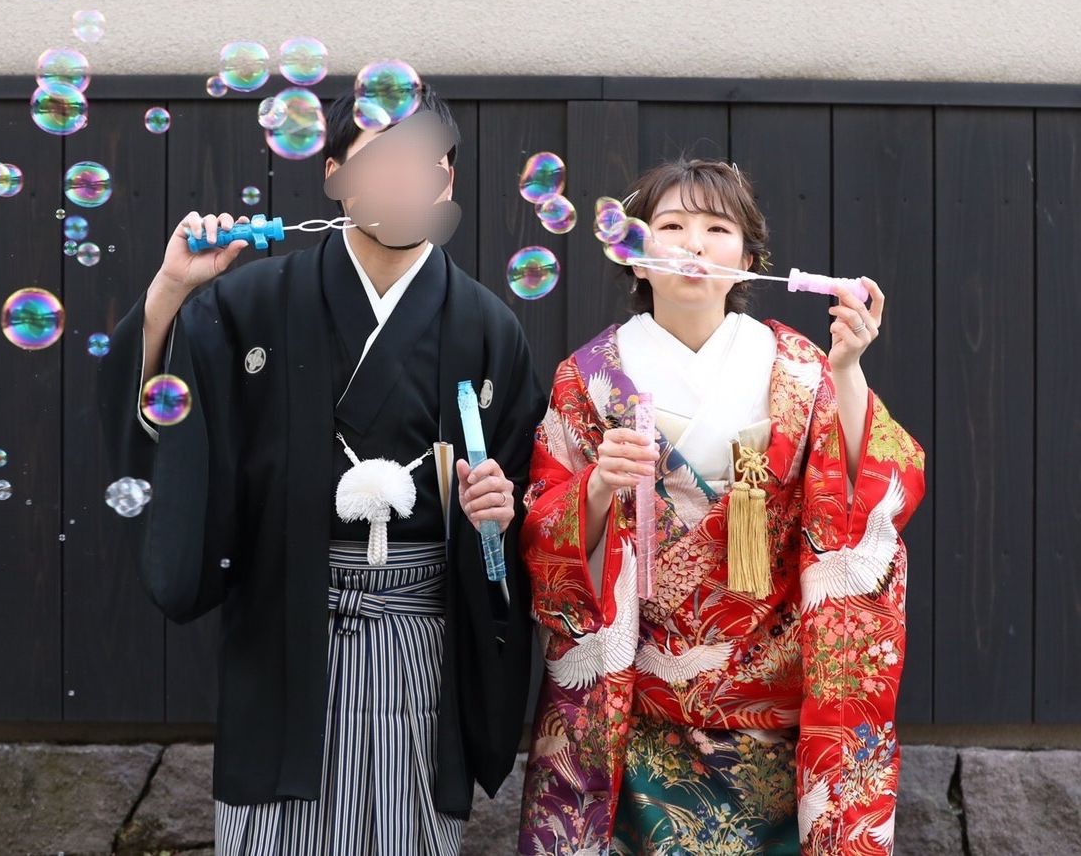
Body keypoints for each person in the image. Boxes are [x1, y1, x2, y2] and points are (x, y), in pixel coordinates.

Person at [98, 84, 545, 855]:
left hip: (422, 644)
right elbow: (167, 428)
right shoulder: (248, 303)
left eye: (427, 163)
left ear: (446, 184)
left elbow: (526, 507)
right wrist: (172, 289)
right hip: (284, 630)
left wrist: (501, 512)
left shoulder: (487, 327)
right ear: (335, 173)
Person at [517, 157, 926, 855]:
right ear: (634, 256)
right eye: (671, 226)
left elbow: (865, 502)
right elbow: (546, 532)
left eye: (717, 228)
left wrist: (848, 370)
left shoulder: (801, 369)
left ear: (748, 259)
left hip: (776, 718)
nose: (694, 245)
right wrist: (598, 488)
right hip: (639, 712)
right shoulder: (587, 380)